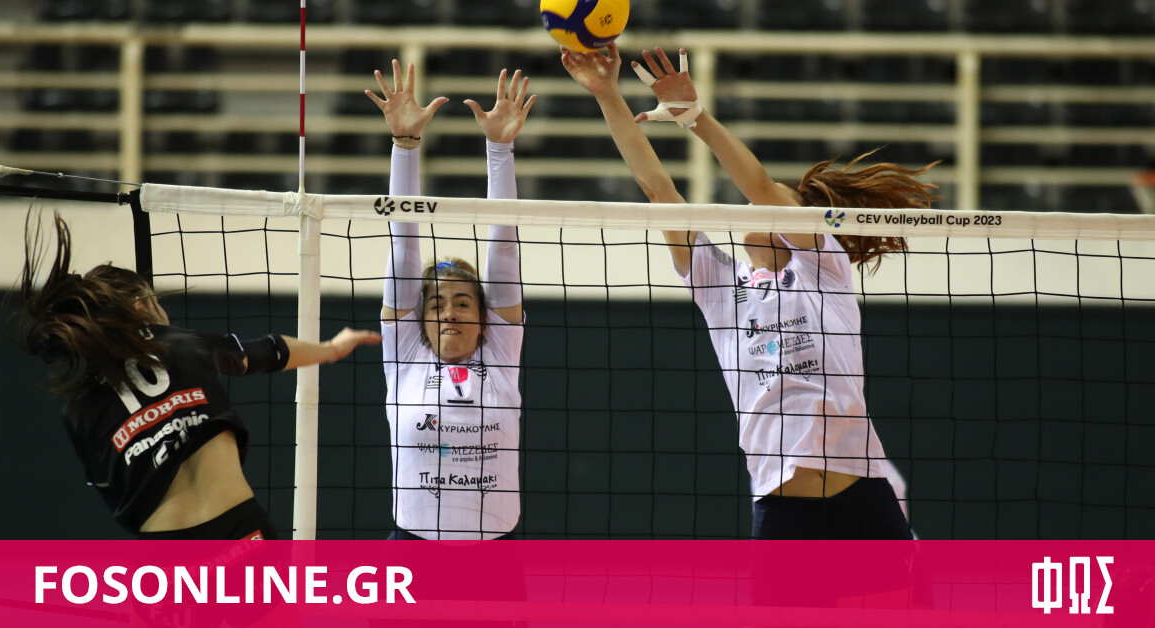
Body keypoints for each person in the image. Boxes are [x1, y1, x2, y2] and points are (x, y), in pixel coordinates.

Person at [562, 44, 937, 540]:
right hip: (782, 506)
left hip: (862, 495)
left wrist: (695, 117)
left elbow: (758, 186)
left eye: (776, 203)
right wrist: (606, 94)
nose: (757, 206)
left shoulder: (822, 268)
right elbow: (659, 191)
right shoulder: (720, 285)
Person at [12, 210, 381, 539]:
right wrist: (332, 348)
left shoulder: (79, 409)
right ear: (140, 306)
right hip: (238, 531)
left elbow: (116, 498)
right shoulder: (182, 343)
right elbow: (270, 351)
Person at [366, 60, 532, 540]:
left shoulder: (500, 353)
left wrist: (500, 148)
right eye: (436, 304)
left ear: (485, 318)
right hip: (413, 549)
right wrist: (405, 143)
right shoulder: (406, 354)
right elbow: (403, 242)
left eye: (463, 303)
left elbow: (504, 248)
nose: (450, 313)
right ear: (419, 320)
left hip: (495, 554)